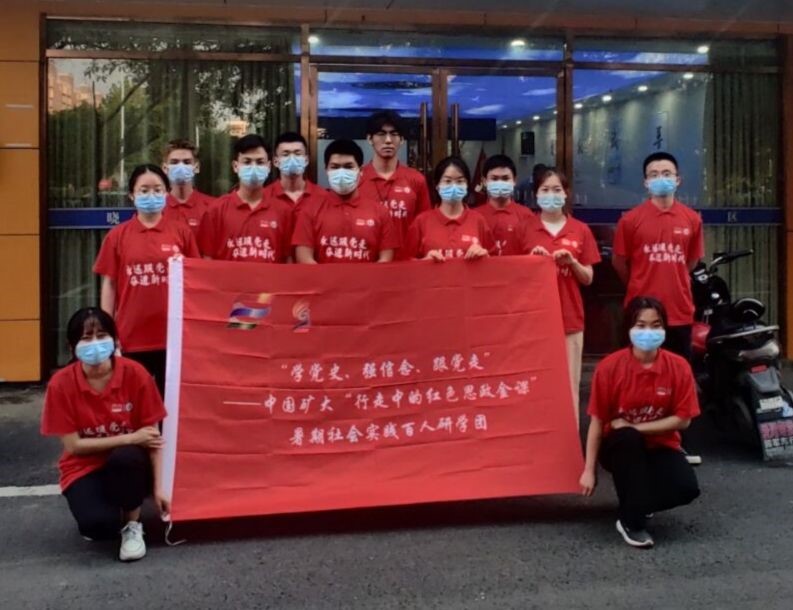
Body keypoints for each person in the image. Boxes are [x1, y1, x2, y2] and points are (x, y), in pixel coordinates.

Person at [40, 307, 168, 562]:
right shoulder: (61, 384)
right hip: (83, 467)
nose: (95, 343)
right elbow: (74, 446)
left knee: (126, 456)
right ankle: (109, 510)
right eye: (86, 338)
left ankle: (133, 524)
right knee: (97, 527)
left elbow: (152, 438)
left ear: (115, 340)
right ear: (72, 346)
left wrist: (159, 489)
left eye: (102, 335)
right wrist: (130, 437)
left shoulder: (136, 374)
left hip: (130, 463)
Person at [579, 296, 701, 549]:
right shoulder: (610, 367)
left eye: (656, 325)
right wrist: (589, 470)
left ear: (664, 328)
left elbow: (683, 420)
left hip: (661, 444)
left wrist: (636, 426)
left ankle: (635, 504)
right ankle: (631, 523)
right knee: (627, 437)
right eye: (641, 325)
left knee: (686, 489)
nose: (648, 332)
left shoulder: (678, 367)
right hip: (620, 447)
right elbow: (597, 422)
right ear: (628, 328)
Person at [94, 164, 200, 395]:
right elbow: (109, 284)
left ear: (167, 193)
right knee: (131, 400)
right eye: (144, 190)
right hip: (131, 336)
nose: (151, 195)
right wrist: (107, 329)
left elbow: (195, 281)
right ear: (132, 195)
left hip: (172, 336)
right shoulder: (117, 236)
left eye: (157, 189)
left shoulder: (181, 232)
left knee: (168, 403)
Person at [522, 167, 600, 423]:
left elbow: (588, 278)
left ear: (566, 193)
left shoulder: (580, 230)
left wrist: (572, 263)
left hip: (569, 319)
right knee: (535, 385)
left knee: (568, 386)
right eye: (545, 189)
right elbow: (512, 277)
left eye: (557, 189)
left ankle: (569, 443)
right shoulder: (525, 228)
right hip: (533, 322)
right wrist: (530, 262)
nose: (551, 195)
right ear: (536, 194)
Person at [612, 152, 704, 361]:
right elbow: (619, 262)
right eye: (653, 175)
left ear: (678, 180)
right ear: (646, 182)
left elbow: (691, 261)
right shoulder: (630, 220)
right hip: (641, 311)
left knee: (678, 369)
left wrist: (673, 275)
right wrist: (638, 281)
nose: (660, 178)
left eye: (666, 173)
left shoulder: (692, 219)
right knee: (638, 369)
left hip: (679, 309)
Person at [293, 139, 400, 264]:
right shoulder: (309, 210)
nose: (341, 172)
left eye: (348, 167)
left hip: (368, 277)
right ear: (326, 170)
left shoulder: (380, 212)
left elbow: (386, 259)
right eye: (335, 167)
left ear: (361, 171)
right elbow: (304, 258)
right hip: (323, 278)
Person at [197, 134, 294, 263]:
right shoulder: (216, 210)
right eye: (247, 162)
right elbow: (207, 259)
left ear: (269, 167)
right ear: (235, 166)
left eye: (260, 162)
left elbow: (288, 260)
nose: (254, 167)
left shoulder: (283, 211)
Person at [358, 111, 432, 257]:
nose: (388, 140)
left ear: (402, 140)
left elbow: (426, 226)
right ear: (369, 139)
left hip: (407, 262)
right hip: (367, 263)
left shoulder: (416, 179)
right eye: (381, 134)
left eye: (394, 134)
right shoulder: (357, 179)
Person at [405, 156, 493, 261]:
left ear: (467, 185)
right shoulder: (421, 221)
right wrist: (424, 262)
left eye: (460, 181)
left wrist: (484, 256)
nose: (454, 186)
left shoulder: (478, 220)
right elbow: (406, 262)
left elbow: (494, 260)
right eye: (447, 181)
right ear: (437, 185)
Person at [475, 154, 534, 256]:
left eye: (505, 178)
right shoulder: (474, 216)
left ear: (514, 181)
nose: (500, 183)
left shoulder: (526, 215)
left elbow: (533, 251)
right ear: (484, 181)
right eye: (494, 179)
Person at [161, 138, 216, 236]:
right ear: (165, 168)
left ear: (196, 167)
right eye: (174, 162)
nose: (180, 167)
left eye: (186, 162)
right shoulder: (157, 208)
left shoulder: (213, 207)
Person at [263, 131, 324, 213]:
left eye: (297, 154)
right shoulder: (262, 198)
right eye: (285, 154)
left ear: (306, 160)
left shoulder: (323, 198)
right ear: (275, 161)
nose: (292, 159)